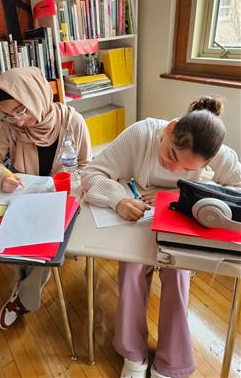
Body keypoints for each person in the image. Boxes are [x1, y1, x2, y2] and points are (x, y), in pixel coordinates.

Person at [81, 96, 241, 378]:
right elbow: (92, 172)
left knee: (177, 276)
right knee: (131, 270)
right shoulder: (142, 134)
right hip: (138, 216)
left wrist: (182, 194)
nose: (174, 169)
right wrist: (118, 200)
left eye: (186, 168)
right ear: (170, 129)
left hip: (182, 225)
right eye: (171, 156)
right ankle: (132, 353)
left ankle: (171, 362)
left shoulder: (220, 154)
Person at [0, 67, 92, 330]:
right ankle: (24, 290)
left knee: (43, 248)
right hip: (26, 201)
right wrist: (1, 176)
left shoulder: (72, 122)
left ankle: (22, 295)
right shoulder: (10, 127)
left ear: (37, 97)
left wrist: (66, 185)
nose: (17, 120)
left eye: (21, 110)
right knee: (17, 241)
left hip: (63, 202)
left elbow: (87, 167)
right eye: (7, 114)